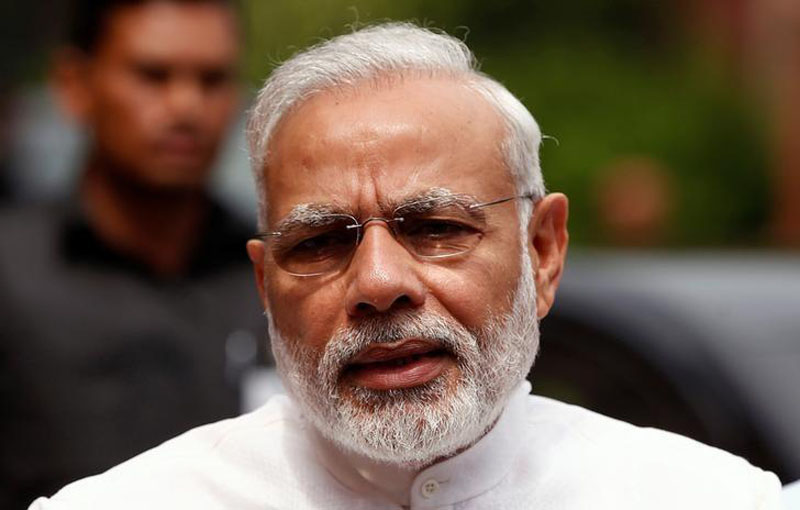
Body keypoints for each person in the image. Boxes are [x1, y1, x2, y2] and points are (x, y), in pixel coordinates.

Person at [29, 22, 783, 509]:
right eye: (321, 243)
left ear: (543, 252)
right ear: (265, 285)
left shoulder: (701, 497)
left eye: (434, 228)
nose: (380, 284)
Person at [0, 0, 264, 507]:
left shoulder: (281, 272)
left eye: (212, 79)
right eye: (153, 75)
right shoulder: (12, 276)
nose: (186, 106)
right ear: (75, 84)